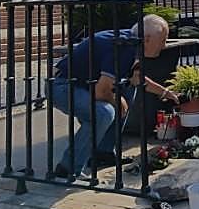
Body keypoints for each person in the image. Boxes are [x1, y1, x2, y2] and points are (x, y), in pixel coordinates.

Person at [50, 14, 179, 180]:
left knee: (128, 90)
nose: (164, 44)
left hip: (83, 85)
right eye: (163, 39)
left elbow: (136, 79)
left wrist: (166, 93)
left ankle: (103, 153)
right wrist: (117, 100)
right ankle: (67, 169)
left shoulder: (132, 40)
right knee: (104, 112)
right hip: (63, 86)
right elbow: (101, 92)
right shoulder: (125, 46)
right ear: (147, 39)